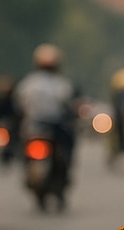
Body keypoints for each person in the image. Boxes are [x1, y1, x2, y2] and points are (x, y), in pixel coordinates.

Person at [13, 44, 79, 182]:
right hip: (55, 125)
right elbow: (68, 103)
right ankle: (65, 174)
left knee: (22, 143)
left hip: (33, 124)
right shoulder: (61, 84)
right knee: (68, 146)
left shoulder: (28, 83)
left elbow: (19, 104)